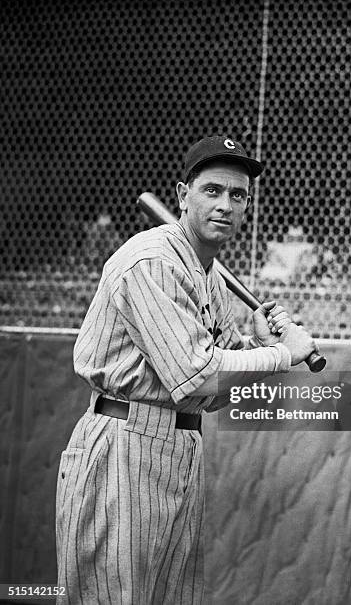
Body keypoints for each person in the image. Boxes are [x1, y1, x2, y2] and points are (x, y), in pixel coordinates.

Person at [55, 135, 318, 604]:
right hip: (124, 444)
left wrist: (259, 342)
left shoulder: (208, 271)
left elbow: (210, 393)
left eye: (237, 195)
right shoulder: (152, 261)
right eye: (212, 190)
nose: (226, 204)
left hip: (179, 447)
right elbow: (195, 376)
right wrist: (285, 354)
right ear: (182, 196)